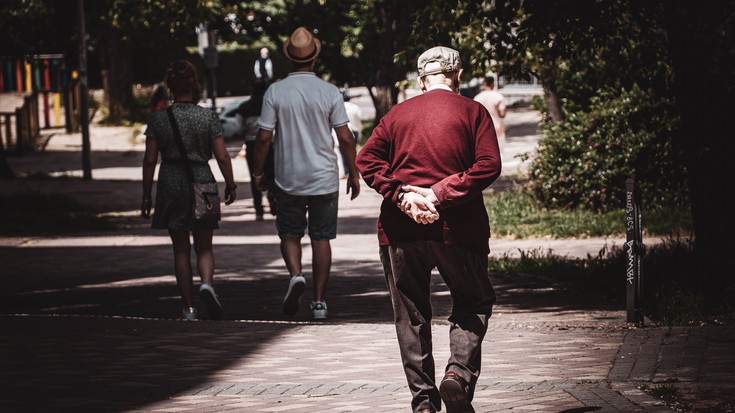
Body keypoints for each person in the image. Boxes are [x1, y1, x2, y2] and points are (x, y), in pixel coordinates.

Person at [356, 46, 502, 413]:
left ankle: (423, 402)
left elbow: (366, 160)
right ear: (457, 75)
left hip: (400, 231)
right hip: (460, 229)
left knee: (410, 315)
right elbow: (488, 165)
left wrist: (403, 195)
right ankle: (458, 373)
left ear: (421, 79)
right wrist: (438, 194)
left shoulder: (395, 115)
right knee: (474, 301)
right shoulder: (473, 112)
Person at [251, 27, 360, 320]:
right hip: (324, 177)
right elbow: (346, 138)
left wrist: (258, 172)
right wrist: (353, 173)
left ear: (289, 58)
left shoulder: (275, 91)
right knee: (321, 238)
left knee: (289, 233)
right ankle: (320, 302)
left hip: (288, 178)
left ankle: (296, 275)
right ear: (314, 58)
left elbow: (263, 137)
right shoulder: (329, 92)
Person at [141, 60, 238, 321]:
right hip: (202, 180)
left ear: (170, 87)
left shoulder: (158, 119)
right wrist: (230, 184)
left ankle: (189, 308)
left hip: (171, 180)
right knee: (204, 246)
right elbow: (222, 156)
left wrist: (145, 193)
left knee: (180, 249)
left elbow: (150, 159)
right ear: (194, 86)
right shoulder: (207, 116)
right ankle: (206, 283)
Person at [238, 81, 275, 220]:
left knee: (255, 175)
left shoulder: (244, 107)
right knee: (271, 173)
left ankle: (258, 209)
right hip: (269, 143)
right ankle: (273, 196)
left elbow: (238, 127)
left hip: (251, 143)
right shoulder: (270, 106)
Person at [473, 75, 506, 152]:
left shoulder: (477, 98)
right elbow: (502, 114)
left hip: (482, 129)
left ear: (484, 84)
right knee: (499, 152)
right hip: (497, 128)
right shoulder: (498, 97)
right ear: (492, 84)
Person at [338, 89, 363, 178]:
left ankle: (346, 171)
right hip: (354, 131)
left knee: (342, 152)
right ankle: (354, 171)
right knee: (353, 151)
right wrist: (359, 132)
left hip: (342, 131)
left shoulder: (339, 107)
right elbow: (359, 121)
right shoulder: (355, 107)